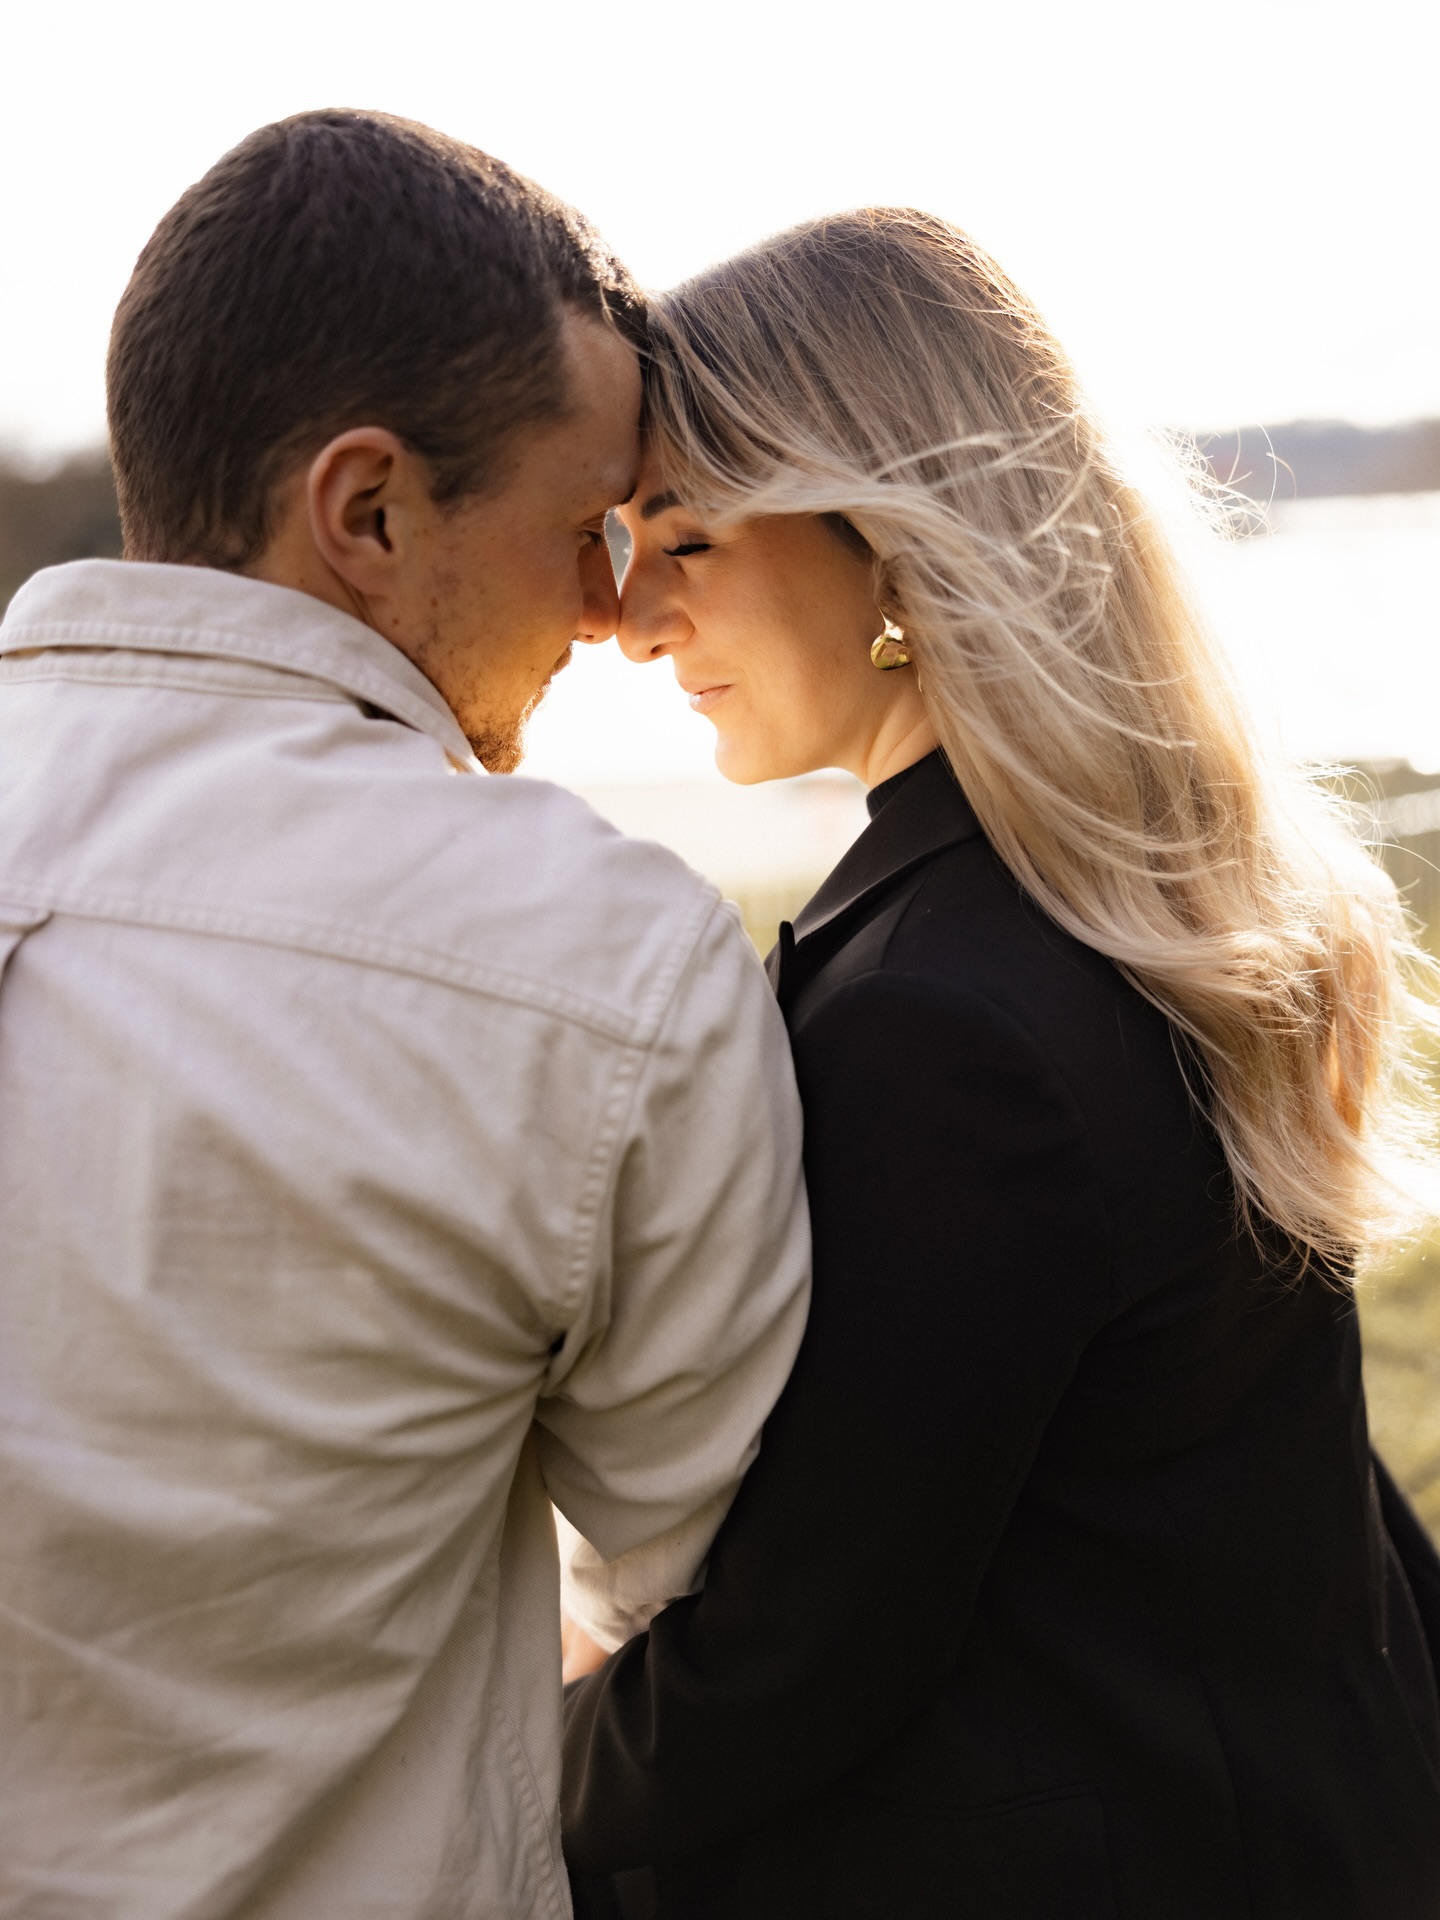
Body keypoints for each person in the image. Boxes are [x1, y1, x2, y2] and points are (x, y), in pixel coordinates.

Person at [561, 209, 1440, 1919]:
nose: (633, 620)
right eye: (615, 540)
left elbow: (800, 1656)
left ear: (889, 538)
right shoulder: (1132, 900)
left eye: (688, 540)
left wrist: (495, 1772)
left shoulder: (949, 1026)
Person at [0, 113, 811, 1919]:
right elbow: (711, 1572)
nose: (615, 611)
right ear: (369, 510)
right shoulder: (596, 960)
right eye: (584, 526)